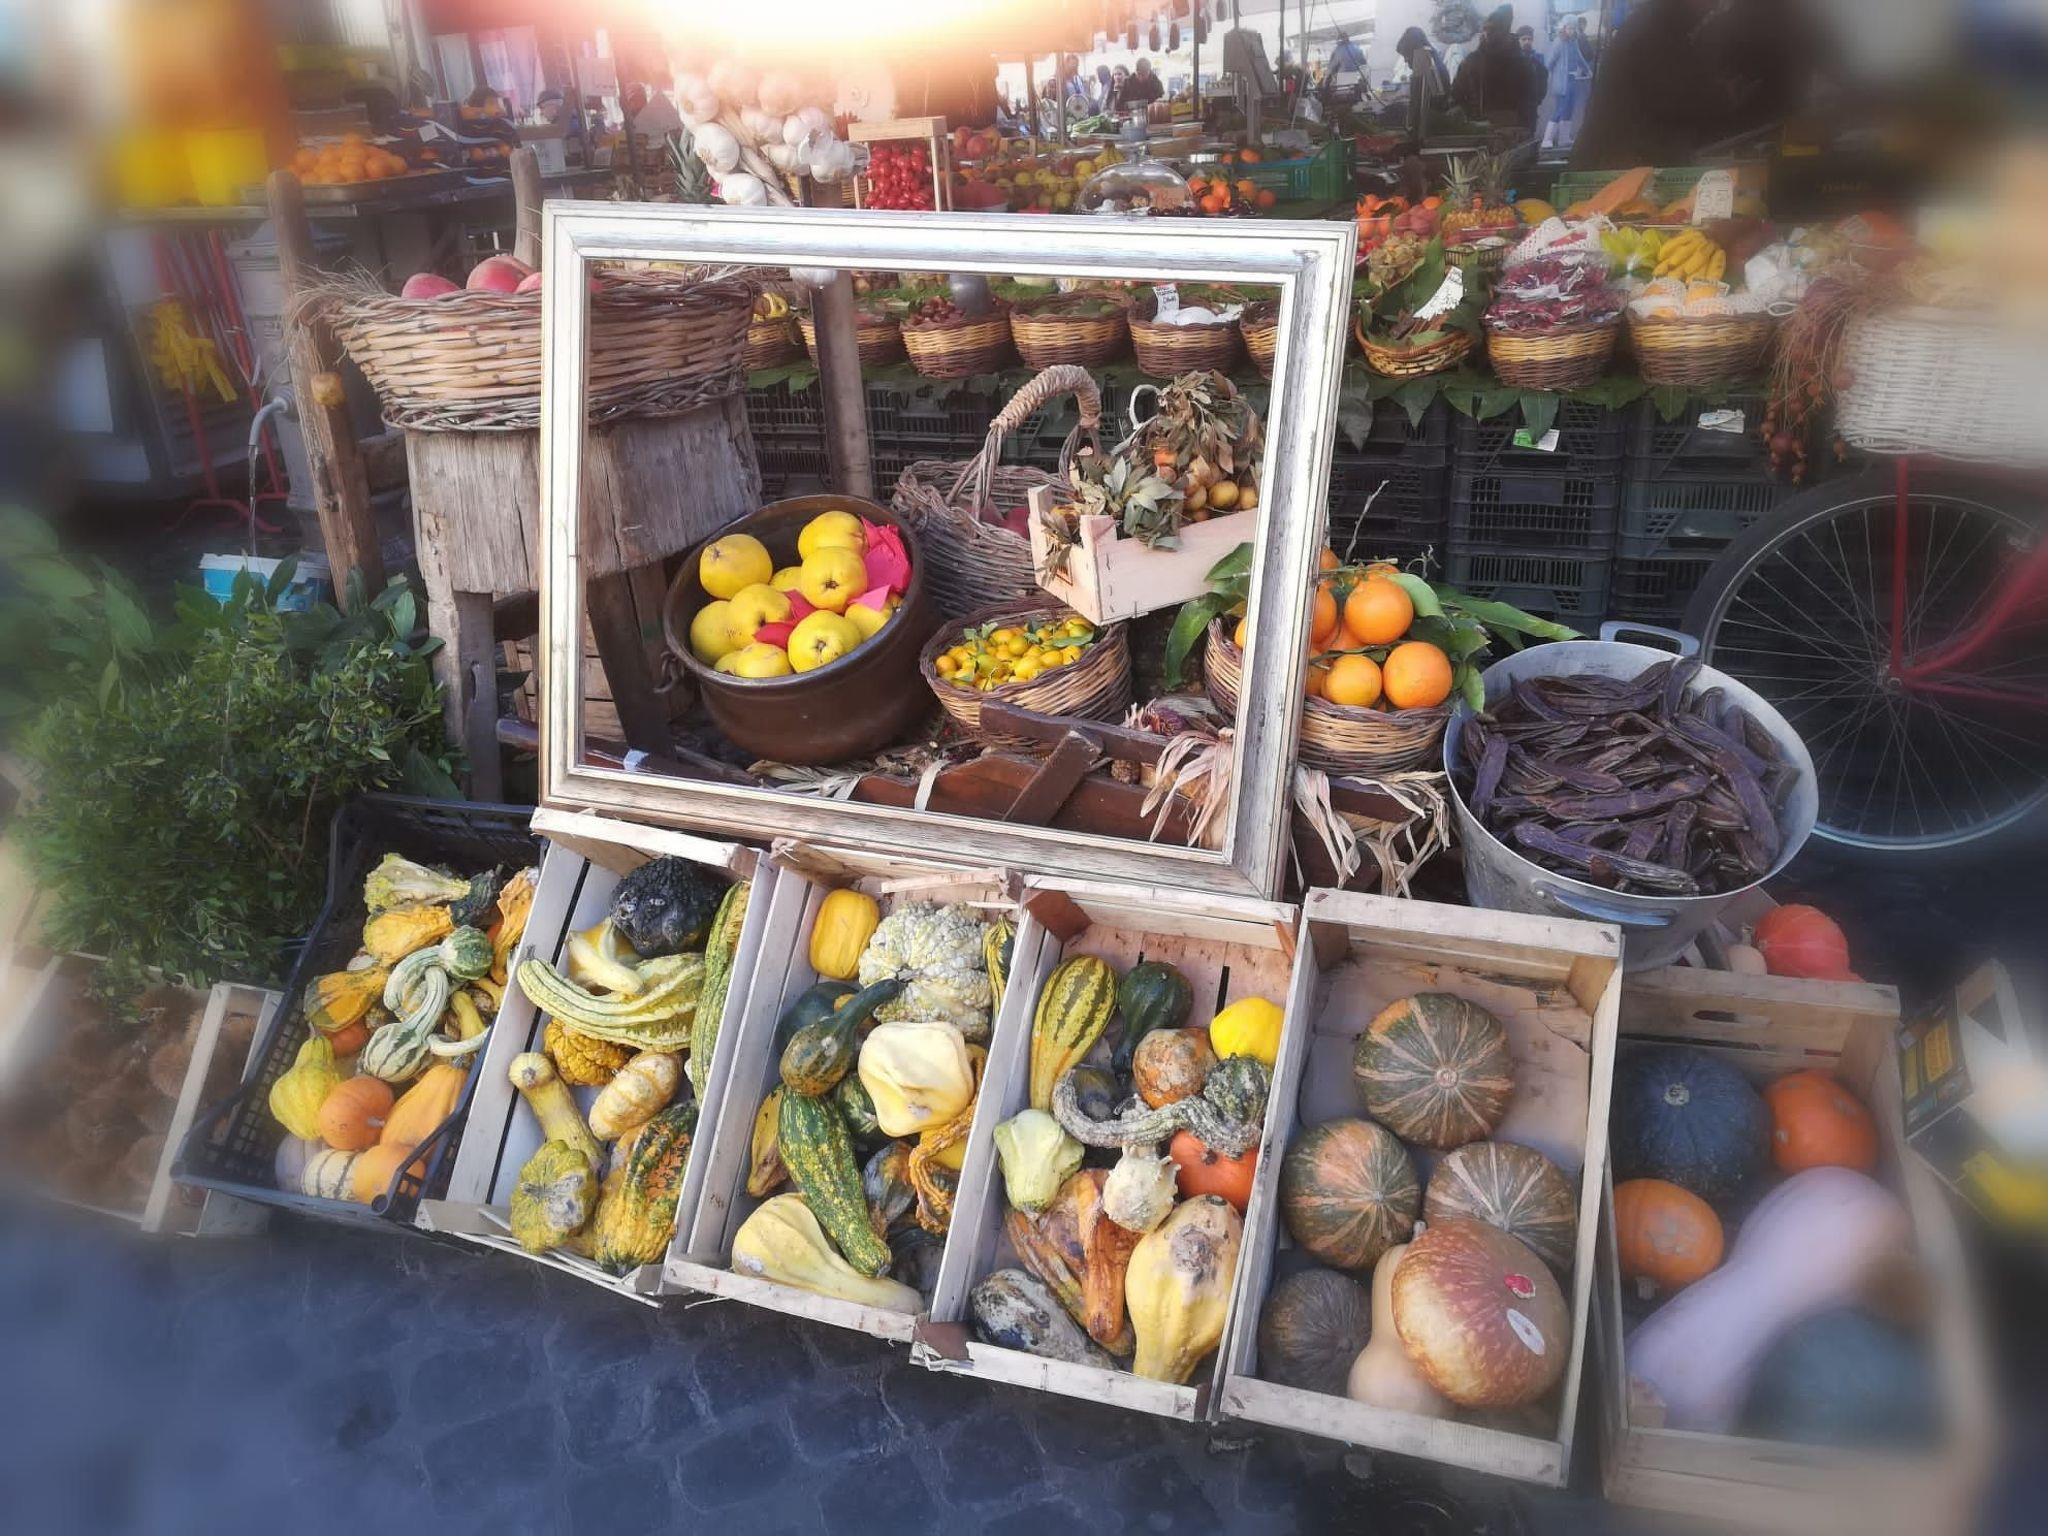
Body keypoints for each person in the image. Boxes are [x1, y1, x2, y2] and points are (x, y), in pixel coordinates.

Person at [1571, 0, 1719, 170]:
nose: (1714, 6)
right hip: (1617, 168)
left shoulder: (1657, 24)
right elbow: (1676, 97)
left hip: (1621, 162)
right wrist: (1723, 98)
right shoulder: (1657, 30)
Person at [1452, 7, 1541, 129]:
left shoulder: (1522, 63)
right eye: (1486, 29)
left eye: (1493, 29)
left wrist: (1526, 129)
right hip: (1478, 130)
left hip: (1513, 131)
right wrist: (1469, 119)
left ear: (1505, 32)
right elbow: (1457, 94)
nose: (1488, 33)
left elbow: (1530, 102)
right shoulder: (1473, 61)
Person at [1540, 18, 1595, 150]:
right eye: (1569, 28)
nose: (1571, 31)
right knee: (1560, 109)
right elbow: (1549, 62)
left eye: (1573, 28)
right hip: (1561, 83)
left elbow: (1579, 57)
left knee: (1569, 108)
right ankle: (1547, 139)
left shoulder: (1574, 42)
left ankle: (1564, 138)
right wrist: (1550, 75)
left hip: (1572, 80)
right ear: (1563, 28)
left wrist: (1587, 70)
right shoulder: (1559, 43)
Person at [1394, 27, 1452, 145]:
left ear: (1415, 53)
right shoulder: (1433, 63)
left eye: (1406, 56)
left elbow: (1418, 107)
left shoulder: (1425, 67)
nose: (1405, 61)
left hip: (1433, 130)